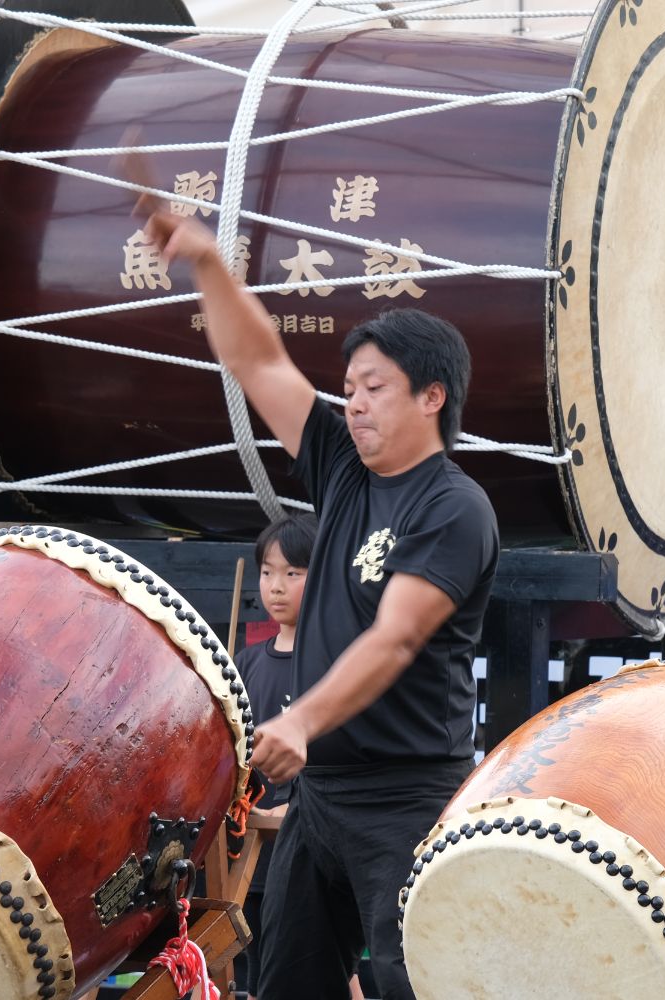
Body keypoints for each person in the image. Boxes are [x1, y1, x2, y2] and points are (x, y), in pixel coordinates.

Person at [145, 208, 498, 1000]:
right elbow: (258, 359)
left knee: (418, 986)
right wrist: (205, 260)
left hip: (406, 800)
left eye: (375, 388)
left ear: (432, 395)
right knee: (289, 984)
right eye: (348, 390)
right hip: (322, 798)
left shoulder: (453, 507)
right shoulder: (342, 468)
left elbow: (397, 637)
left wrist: (301, 720)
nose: (355, 404)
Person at [235, 514, 365, 1000]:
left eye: (293, 573)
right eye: (268, 572)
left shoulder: (339, 666)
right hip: (250, 847)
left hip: (313, 836)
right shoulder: (246, 663)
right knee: (258, 963)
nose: (276, 586)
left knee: (330, 963)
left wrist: (294, 808)